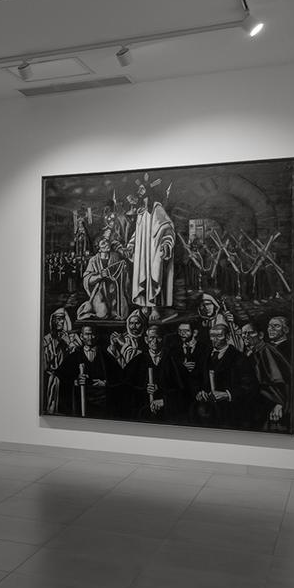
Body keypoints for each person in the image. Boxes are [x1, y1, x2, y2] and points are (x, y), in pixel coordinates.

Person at [126, 176, 175, 321]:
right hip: (143, 251)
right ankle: (144, 304)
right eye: (139, 189)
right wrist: (131, 244)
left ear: (148, 191)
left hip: (153, 250)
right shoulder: (141, 212)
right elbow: (138, 232)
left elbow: (167, 227)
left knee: (154, 275)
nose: (139, 191)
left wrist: (166, 243)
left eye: (142, 189)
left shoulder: (157, 208)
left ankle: (154, 307)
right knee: (143, 274)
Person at [191, 323, 256, 428]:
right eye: (212, 336)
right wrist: (199, 391)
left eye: (219, 336)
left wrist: (227, 394)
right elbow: (194, 378)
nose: (214, 339)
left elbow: (249, 386)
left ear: (228, 337)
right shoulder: (204, 355)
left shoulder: (239, 358)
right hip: (204, 411)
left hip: (229, 412)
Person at [56, 324, 122, 418]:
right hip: (80, 402)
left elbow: (119, 377)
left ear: (97, 336)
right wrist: (75, 381)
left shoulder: (106, 356)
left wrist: (105, 383)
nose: (90, 337)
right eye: (87, 334)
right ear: (81, 337)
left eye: (93, 334)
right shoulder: (74, 356)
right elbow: (61, 375)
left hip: (102, 404)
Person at [125, 325, 186, 422]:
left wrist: (165, 400)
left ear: (163, 339)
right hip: (143, 413)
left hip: (168, 414)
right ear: (146, 339)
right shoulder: (138, 360)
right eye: (151, 338)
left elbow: (184, 391)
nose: (155, 341)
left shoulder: (173, 360)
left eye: (158, 337)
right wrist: (144, 389)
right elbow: (127, 388)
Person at [241, 322, 292, 431]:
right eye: (243, 334)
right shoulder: (251, 352)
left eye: (250, 333)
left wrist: (279, 403)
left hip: (270, 405)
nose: (246, 336)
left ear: (260, 335)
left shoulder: (265, 350)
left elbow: (278, 379)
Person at [76, 238, 128, 321]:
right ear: (99, 248)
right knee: (102, 314)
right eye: (103, 243)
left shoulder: (116, 257)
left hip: (114, 292)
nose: (107, 244)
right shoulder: (93, 260)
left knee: (122, 314)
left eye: (107, 242)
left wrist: (124, 269)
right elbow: (87, 279)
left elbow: (121, 273)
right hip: (99, 292)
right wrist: (100, 276)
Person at [42, 308, 81, 415]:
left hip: (68, 380)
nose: (61, 322)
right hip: (51, 379)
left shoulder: (72, 339)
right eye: (58, 319)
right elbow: (45, 364)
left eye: (63, 319)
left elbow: (78, 358)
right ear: (52, 321)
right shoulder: (47, 340)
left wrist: (69, 342)